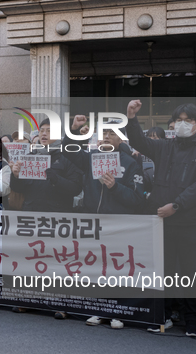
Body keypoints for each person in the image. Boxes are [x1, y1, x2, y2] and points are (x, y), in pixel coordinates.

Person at [126, 100, 196, 336]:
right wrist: (132, 118)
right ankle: (162, 315)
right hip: (161, 220)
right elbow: (139, 142)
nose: (182, 124)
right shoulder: (165, 147)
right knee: (162, 271)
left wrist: (177, 205)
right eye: (179, 120)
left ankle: (192, 320)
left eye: (188, 121)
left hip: (190, 222)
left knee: (190, 273)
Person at [65, 115, 146, 329]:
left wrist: (114, 187)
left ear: (121, 140)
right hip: (94, 224)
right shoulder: (91, 157)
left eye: (112, 134)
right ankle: (98, 310)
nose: (107, 137)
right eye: (104, 134)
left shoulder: (130, 163)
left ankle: (117, 311)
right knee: (97, 268)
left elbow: (137, 198)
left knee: (118, 269)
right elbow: (68, 151)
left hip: (119, 226)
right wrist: (74, 130)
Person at [9, 118, 83, 319]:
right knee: (30, 259)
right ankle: (26, 301)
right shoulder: (30, 155)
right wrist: (15, 175)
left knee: (57, 260)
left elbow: (76, 187)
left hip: (56, 217)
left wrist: (55, 178)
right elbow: (18, 188)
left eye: (49, 130)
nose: (44, 133)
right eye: (42, 130)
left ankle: (60, 303)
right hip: (31, 215)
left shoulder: (68, 157)